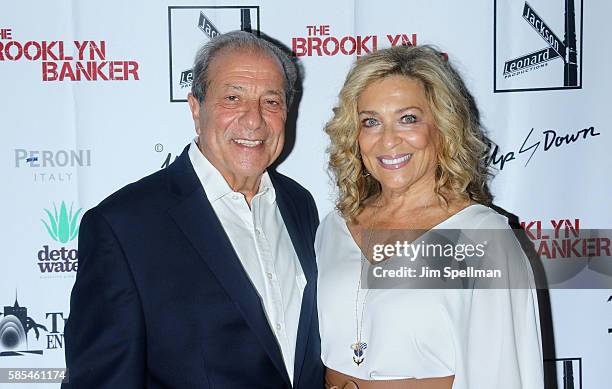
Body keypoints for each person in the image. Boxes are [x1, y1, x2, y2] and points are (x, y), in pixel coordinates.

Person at [63, 31, 323, 388]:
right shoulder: (124, 227)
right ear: (196, 108)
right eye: (233, 98)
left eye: (271, 101)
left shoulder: (299, 204)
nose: (254, 120)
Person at [316, 45, 544, 388]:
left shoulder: (481, 236)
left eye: (408, 119)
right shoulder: (334, 228)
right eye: (371, 122)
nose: (388, 140)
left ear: (443, 126)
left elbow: (503, 374)